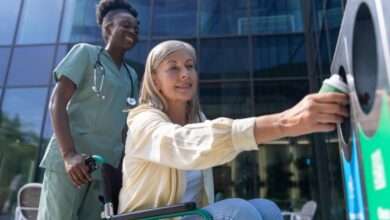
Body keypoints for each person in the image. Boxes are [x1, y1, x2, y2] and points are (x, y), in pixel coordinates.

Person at [118, 40, 349, 220]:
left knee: (265, 208)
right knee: (236, 211)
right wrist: (286, 122)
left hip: (188, 215)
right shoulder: (142, 122)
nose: (185, 74)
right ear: (155, 81)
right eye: (173, 67)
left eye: (189, 66)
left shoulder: (197, 119)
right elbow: (186, 143)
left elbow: (209, 138)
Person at [37, 0, 139, 219]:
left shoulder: (132, 76)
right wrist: (69, 154)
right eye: (126, 25)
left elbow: (126, 127)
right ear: (109, 28)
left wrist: (121, 169)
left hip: (103, 171)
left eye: (136, 28)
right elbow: (57, 102)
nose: (133, 31)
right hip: (72, 164)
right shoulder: (85, 53)